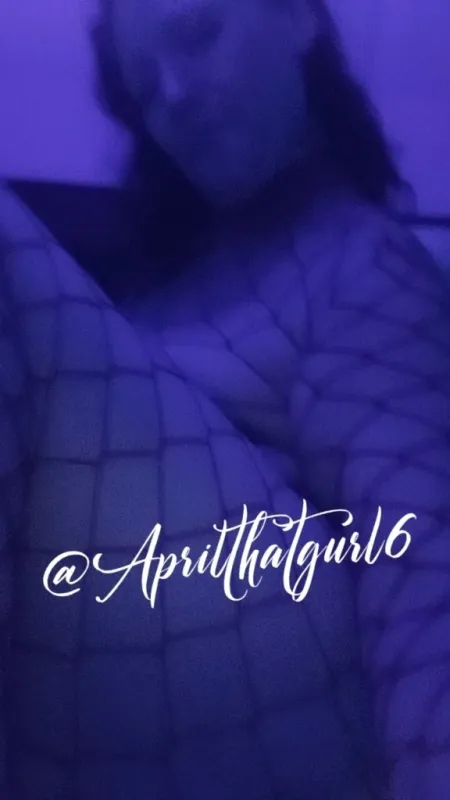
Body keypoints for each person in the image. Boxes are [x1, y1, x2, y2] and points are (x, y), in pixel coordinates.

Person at [1, 0, 449, 797]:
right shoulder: (157, 293)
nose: (171, 95)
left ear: (300, 19)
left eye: (200, 33)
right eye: (143, 86)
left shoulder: (361, 260)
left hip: (271, 674)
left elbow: (423, 561)